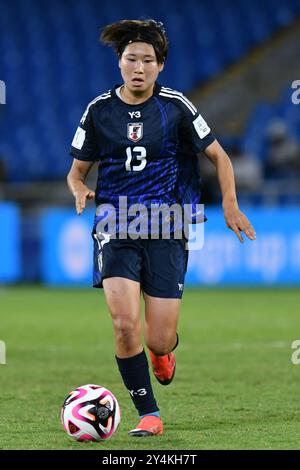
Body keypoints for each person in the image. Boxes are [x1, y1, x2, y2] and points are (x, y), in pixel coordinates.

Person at [67, 19, 256, 437]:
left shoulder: (176, 107)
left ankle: (162, 352)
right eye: (131, 58)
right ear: (119, 63)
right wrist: (80, 188)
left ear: (160, 65)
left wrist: (229, 205)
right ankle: (148, 413)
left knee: (158, 337)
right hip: (115, 223)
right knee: (123, 324)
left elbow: (220, 158)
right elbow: (76, 171)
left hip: (167, 226)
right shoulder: (99, 111)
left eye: (147, 60)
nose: (139, 67)